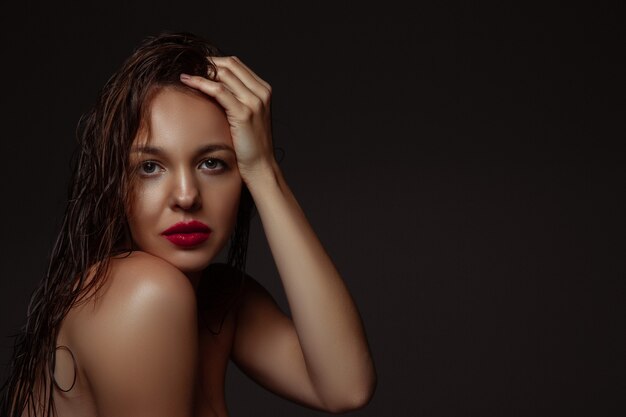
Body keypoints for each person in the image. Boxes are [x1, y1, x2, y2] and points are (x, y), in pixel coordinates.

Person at [0, 31, 376, 417]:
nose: (185, 195)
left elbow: (345, 386)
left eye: (212, 163)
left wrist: (264, 171)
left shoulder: (220, 300)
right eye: (149, 167)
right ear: (115, 186)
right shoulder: (144, 292)